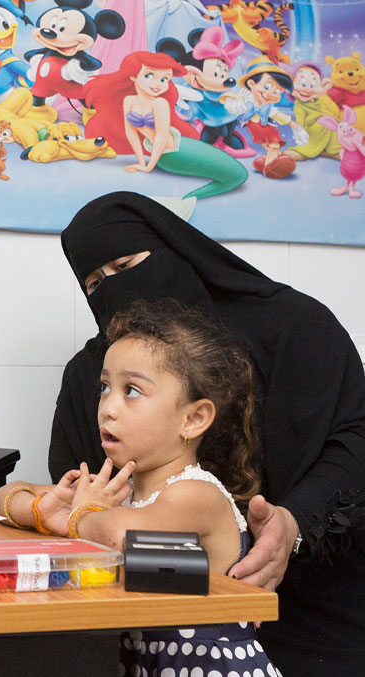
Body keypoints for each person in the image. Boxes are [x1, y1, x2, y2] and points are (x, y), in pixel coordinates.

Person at [48, 190, 365, 675]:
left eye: (125, 264)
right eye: (93, 283)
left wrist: (295, 524)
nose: (112, 288)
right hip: (163, 627)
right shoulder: (93, 372)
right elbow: (75, 486)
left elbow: (355, 440)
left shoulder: (293, 324)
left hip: (314, 611)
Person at [27, 298, 279, 674]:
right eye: (104, 387)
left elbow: (119, 536)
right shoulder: (121, 493)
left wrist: (76, 515)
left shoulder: (196, 494)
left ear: (194, 419)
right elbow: (8, 498)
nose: (107, 407)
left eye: (131, 391)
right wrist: (42, 509)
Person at [84, 51, 247, 201]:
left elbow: (162, 136)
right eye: (149, 75)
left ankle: (200, 193)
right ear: (133, 76)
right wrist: (142, 162)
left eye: (164, 79)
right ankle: (198, 194)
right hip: (169, 158)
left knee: (236, 173)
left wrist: (149, 166)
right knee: (234, 174)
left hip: (177, 148)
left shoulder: (160, 103)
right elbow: (131, 132)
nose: (158, 84)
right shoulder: (129, 101)